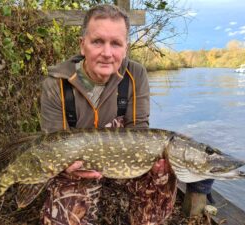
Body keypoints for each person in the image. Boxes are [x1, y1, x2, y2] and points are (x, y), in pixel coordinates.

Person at [40, 4, 211, 225]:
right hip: (78, 168)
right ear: (82, 45)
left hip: (125, 165)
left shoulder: (136, 75)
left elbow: (139, 130)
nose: (107, 53)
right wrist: (66, 167)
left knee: (163, 174)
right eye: (97, 41)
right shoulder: (56, 84)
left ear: (125, 48)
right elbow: (53, 144)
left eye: (116, 43)